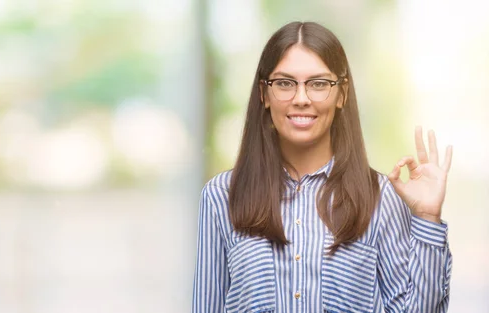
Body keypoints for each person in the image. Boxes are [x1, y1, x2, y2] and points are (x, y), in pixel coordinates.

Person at [192, 21, 453, 313]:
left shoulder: (382, 198)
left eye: (318, 84)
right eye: (284, 83)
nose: (301, 99)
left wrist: (427, 217)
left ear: (341, 94)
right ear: (264, 94)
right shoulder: (220, 196)